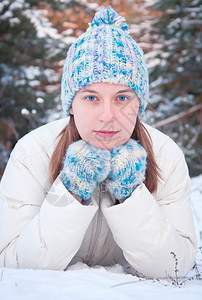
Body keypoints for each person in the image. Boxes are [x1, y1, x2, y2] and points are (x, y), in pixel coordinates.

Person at [0, 7, 197, 279]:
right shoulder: (32, 153)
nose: (107, 117)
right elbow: (14, 265)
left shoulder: (166, 156)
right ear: (70, 105)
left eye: (122, 98)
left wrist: (130, 194)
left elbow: (173, 267)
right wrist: (72, 192)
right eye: (91, 98)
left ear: (140, 104)